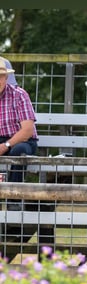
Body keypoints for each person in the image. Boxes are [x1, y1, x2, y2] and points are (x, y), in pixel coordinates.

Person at [0, 60, 39, 194]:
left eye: (1, 76)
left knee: (20, 150)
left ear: (6, 78)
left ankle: (13, 196)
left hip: (22, 140)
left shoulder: (19, 95)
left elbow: (27, 131)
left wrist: (5, 145)